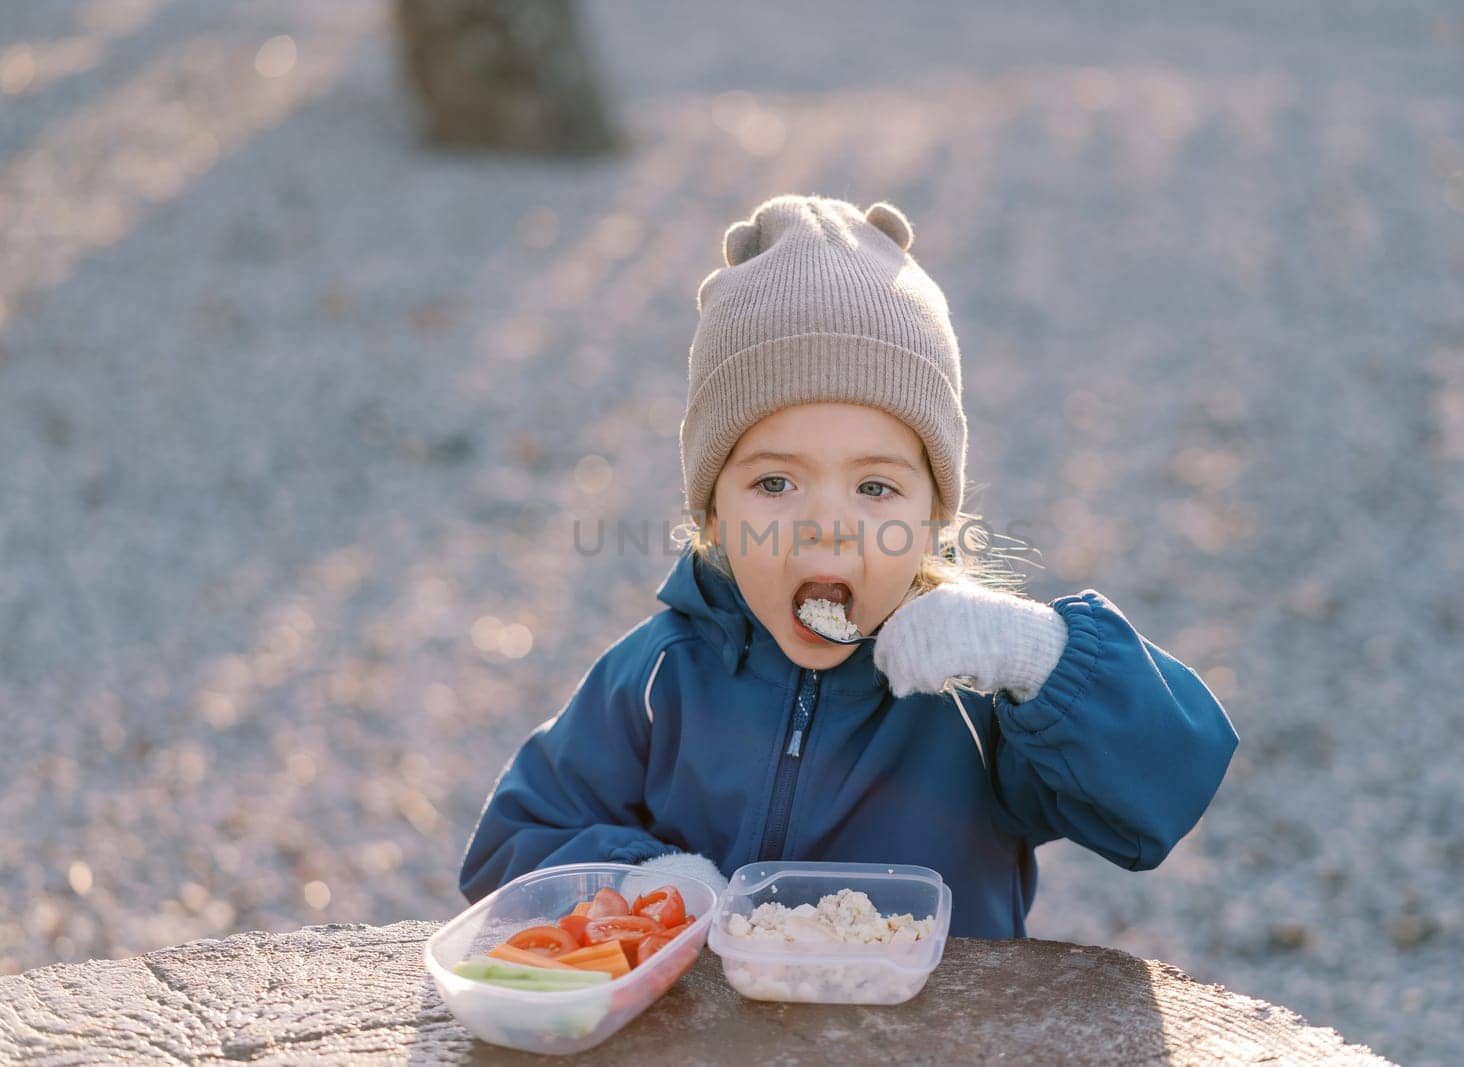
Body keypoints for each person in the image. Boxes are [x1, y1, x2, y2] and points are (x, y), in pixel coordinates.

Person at [458, 194, 1239, 937]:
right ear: (712, 514)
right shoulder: (659, 680)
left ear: (934, 516)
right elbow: (509, 850)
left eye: (874, 486)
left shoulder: (975, 695)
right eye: (774, 482)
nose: (826, 526)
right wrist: (645, 882)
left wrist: (1041, 657)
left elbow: (1167, 790)